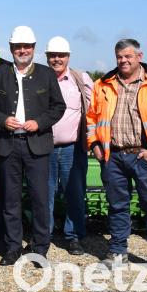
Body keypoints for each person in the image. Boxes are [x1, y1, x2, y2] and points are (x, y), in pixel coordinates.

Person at [87, 39, 147, 277]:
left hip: (144, 156)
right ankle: (118, 252)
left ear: (139, 56)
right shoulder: (104, 84)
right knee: (117, 206)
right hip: (113, 157)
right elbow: (91, 118)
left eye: (128, 56)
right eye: (119, 56)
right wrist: (96, 145)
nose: (123, 60)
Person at [0, 26, 65, 266]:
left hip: (37, 146)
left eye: (26, 46)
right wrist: (2, 119)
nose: (22, 50)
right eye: (18, 47)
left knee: (40, 199)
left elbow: (58, 107)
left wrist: (38, 122)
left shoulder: (46, 75)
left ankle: (39, 248)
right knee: (10, 199)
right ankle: (12, 247)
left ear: (33, 48)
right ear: (11, 49)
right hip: (7, 145)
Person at [45, 36, 93, 256]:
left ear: (68, 56)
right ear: (46, 57)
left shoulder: (81, 79)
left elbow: (92, 112)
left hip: (73, 148)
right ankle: (43, 236)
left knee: (74, 193)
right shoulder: (39, 79)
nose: (57, 59)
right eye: (53, 55)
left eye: (61, 55)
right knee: (44, 195)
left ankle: (73, 237)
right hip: (43, 147)